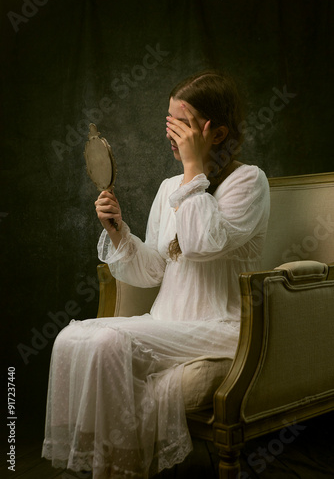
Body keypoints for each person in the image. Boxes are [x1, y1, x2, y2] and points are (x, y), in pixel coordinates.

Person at [42, 70, 270, 479]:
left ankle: (121, 471)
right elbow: (153, 270)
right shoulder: (170, 189)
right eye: (167, 121)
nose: (169, 133)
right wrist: (119, 232)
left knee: (111, 340)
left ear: (214, 133)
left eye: (179, 124)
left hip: (221, 325)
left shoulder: (249, 181)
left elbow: (202, 244)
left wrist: (193, 169)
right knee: (70, 337)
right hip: (167, 322)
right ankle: (102, 467)